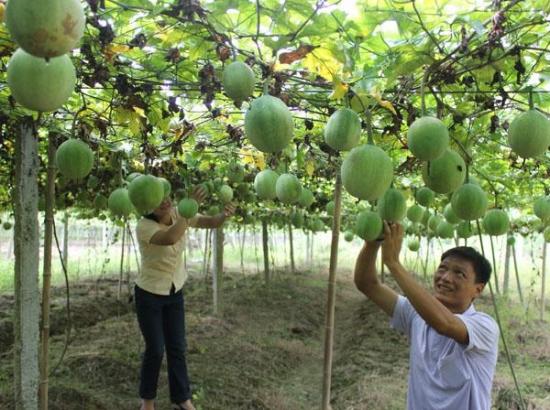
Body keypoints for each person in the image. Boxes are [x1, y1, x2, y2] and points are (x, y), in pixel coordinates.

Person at [354, 221, 499, 410]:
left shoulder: (484, 326)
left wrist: (394, 263)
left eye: (459, 274)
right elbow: (367, 284)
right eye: (443, 268)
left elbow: (444, 324)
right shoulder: (416, 314)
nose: (446, 278)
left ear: (478, 289)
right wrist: (373, 243)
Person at [134, 185, 235, 410]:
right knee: (156, 348)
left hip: (174, 291)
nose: (166, 201)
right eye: (158, 199)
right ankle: (147, 402)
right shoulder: (144, 226)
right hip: (149, 294)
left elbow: (211, 222)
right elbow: (170, 237)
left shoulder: (181, 213)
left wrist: (223, 215)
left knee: (177, 347)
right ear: (147, 205)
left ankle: (182, 398)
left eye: (167, 196)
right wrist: (188, 212)